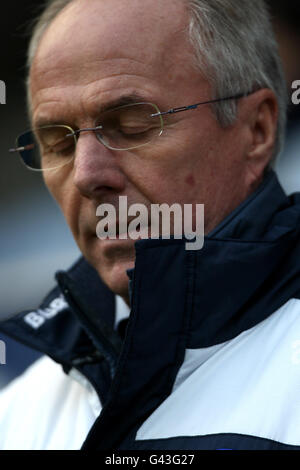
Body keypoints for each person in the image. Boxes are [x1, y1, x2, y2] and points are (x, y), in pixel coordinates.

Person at [0, 0, 300, 451]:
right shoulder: (17, 410)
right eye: (58, 142)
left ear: (256, 130)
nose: (85, 174)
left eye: (132, 124)